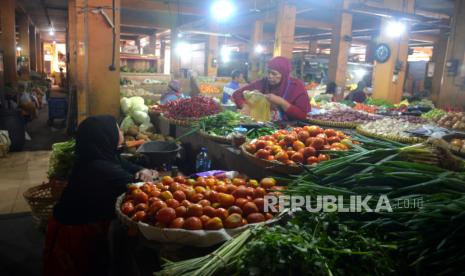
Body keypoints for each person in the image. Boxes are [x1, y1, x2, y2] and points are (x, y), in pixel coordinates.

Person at [43, 115, 157, 276]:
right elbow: (137, 186)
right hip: (77, 232)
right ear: (105, 135)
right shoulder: (99, 167)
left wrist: (142, 170)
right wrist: (149, 175)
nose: (121, 132)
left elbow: (127, 165)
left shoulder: (99, 155)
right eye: (117, 129)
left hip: (81, 221)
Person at [232, 56, 310, 121]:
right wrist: (245, 106)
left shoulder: (297, 87)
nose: (270, 76)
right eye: (268, 72)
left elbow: (302, 115)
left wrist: (281, 102)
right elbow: (237, 94)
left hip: (289, 130)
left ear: (284, 74)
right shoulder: (264, 82)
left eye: (274, 73)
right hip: (266, 126)